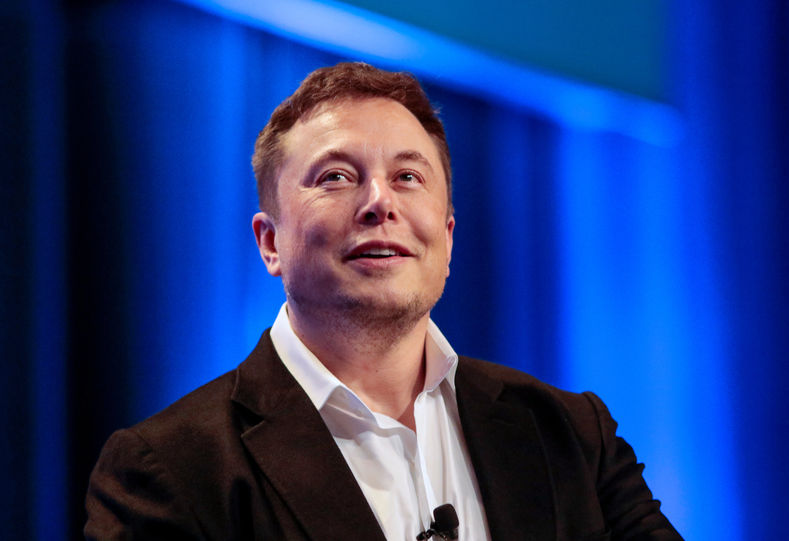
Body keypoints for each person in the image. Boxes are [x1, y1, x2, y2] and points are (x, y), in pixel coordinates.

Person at [84, 62, 682, 540]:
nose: (380, 203)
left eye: (408, 177)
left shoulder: (572, 435)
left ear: (446, 238)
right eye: (336, 177)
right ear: (270, 242)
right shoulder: (167, 470)